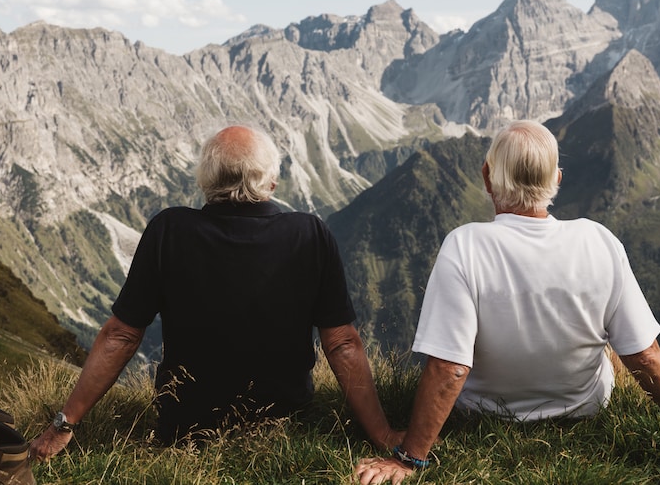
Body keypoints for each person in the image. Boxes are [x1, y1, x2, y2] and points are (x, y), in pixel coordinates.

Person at [355, 120, 660, 485]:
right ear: (556, 179)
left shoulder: (465, 245)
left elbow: (450, 368)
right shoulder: (598, 240)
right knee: (609, 338)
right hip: (584, 410)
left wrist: (410, 459)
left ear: (487, 176)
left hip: (483, 416)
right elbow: (643, 352)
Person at [30, 125, 399, 459]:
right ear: (271, 182)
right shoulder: (311, 235)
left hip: (184, 430)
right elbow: (342, 344)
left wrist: (63, 424)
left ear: (205, 182)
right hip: (286, 425)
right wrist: (382, 435)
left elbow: (121, 335)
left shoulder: (168, 230)